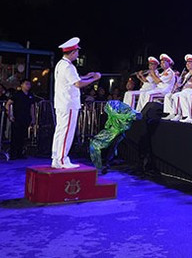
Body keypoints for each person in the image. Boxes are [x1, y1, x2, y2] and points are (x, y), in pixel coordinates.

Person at [51, 37, 101, 169]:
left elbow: (74, 79)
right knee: (67, 131)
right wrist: (94, 79)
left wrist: (88, 76)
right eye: (77, 51)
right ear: (72, 52)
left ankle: (56, 158)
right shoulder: (69, 67)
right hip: (69, 103)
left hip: (62, 103)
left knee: (60, 131)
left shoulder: (61, 64)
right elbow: (78, 83)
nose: (78, 54)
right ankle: (62, 160)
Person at [89, 100, 141, 173]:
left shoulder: (126, 111)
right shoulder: (113, 108)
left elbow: (138, 116)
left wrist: (127, 116)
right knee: (108, 146)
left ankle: (100, 166)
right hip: (114, 131)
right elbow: (109, 110)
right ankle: (101, 165)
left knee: (98, 145)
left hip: (116, 131)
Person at [5, 79, 38, 159]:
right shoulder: (17, 94)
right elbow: (8, 104)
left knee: (23, 136)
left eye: (29, 84)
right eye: (26, 84)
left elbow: (32, 107)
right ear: (22, 85)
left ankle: (20, 153)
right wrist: (9, 115)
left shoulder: (30, 95)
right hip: (17, 117)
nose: (28, 86)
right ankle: (13, 154)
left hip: (26, 117)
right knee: (15, 136)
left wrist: (33, 118)